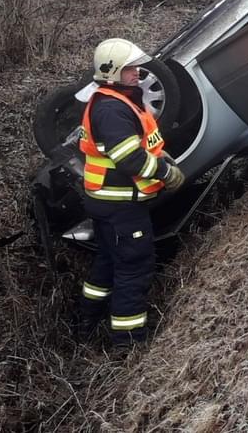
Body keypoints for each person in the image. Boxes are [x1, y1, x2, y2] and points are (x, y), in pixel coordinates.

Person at [72, 38, 185, 346]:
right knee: (134, 268)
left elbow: (136, 146)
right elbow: (130, 159)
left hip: (108, 203)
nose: (137, 73)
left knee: (109, 261)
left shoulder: (113, 101)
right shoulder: (112, 109)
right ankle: (128, 341)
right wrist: (166, 173)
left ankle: (87, 322)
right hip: (121, 207)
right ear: (112, 72)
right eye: (130, 69)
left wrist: (159, 155)